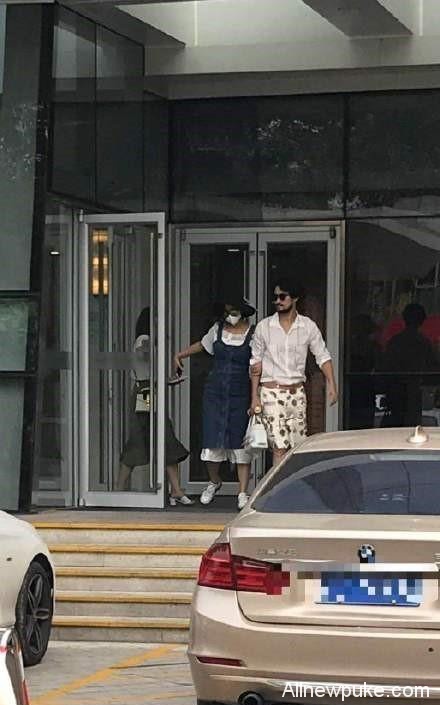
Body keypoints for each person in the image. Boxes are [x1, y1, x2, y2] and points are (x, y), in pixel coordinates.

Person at [174, 298, 256, 510]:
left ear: (243, 312)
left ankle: (242, 491)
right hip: (215, 392)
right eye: (227, 312)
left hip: (241, 393)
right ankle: (214, 481)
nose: (230, 316)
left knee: (240, 443)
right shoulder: (217, 330)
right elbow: (202, 345)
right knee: (212, 439)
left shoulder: (254, 334)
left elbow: (259, 363)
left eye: (234, 311)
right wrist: (180, 354)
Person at [249, 278, 338, 465]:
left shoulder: (307, 326)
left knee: (297, 445)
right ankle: (279, 484)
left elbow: (322, 355)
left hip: (297, 392)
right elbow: (255, 363)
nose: (278, 301)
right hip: (271, 392)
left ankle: (291, 481)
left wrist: (332, 384)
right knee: (279, 446)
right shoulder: (264, 327)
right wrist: (254, 397)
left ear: (295, 298)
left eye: (282, 297)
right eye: (275, 297)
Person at [118, 307, 194, 505]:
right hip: (145, 392)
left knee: (157, 437)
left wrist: (168, 380)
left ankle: (174, 489)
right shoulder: (144, 338)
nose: (161, 324)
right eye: (157, 320)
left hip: (148, 390)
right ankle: (174, 490)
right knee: (152, 436)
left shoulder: (150, 340)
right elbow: (142, 352)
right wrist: (153, 344)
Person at [379, 303, 439, 427]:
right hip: (411, 390)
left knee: (395, 424)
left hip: (398, 390)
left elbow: (385, 366)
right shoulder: (423, 342)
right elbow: (431, 367)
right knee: (410, 425)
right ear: (422, 320)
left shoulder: (396, 341)